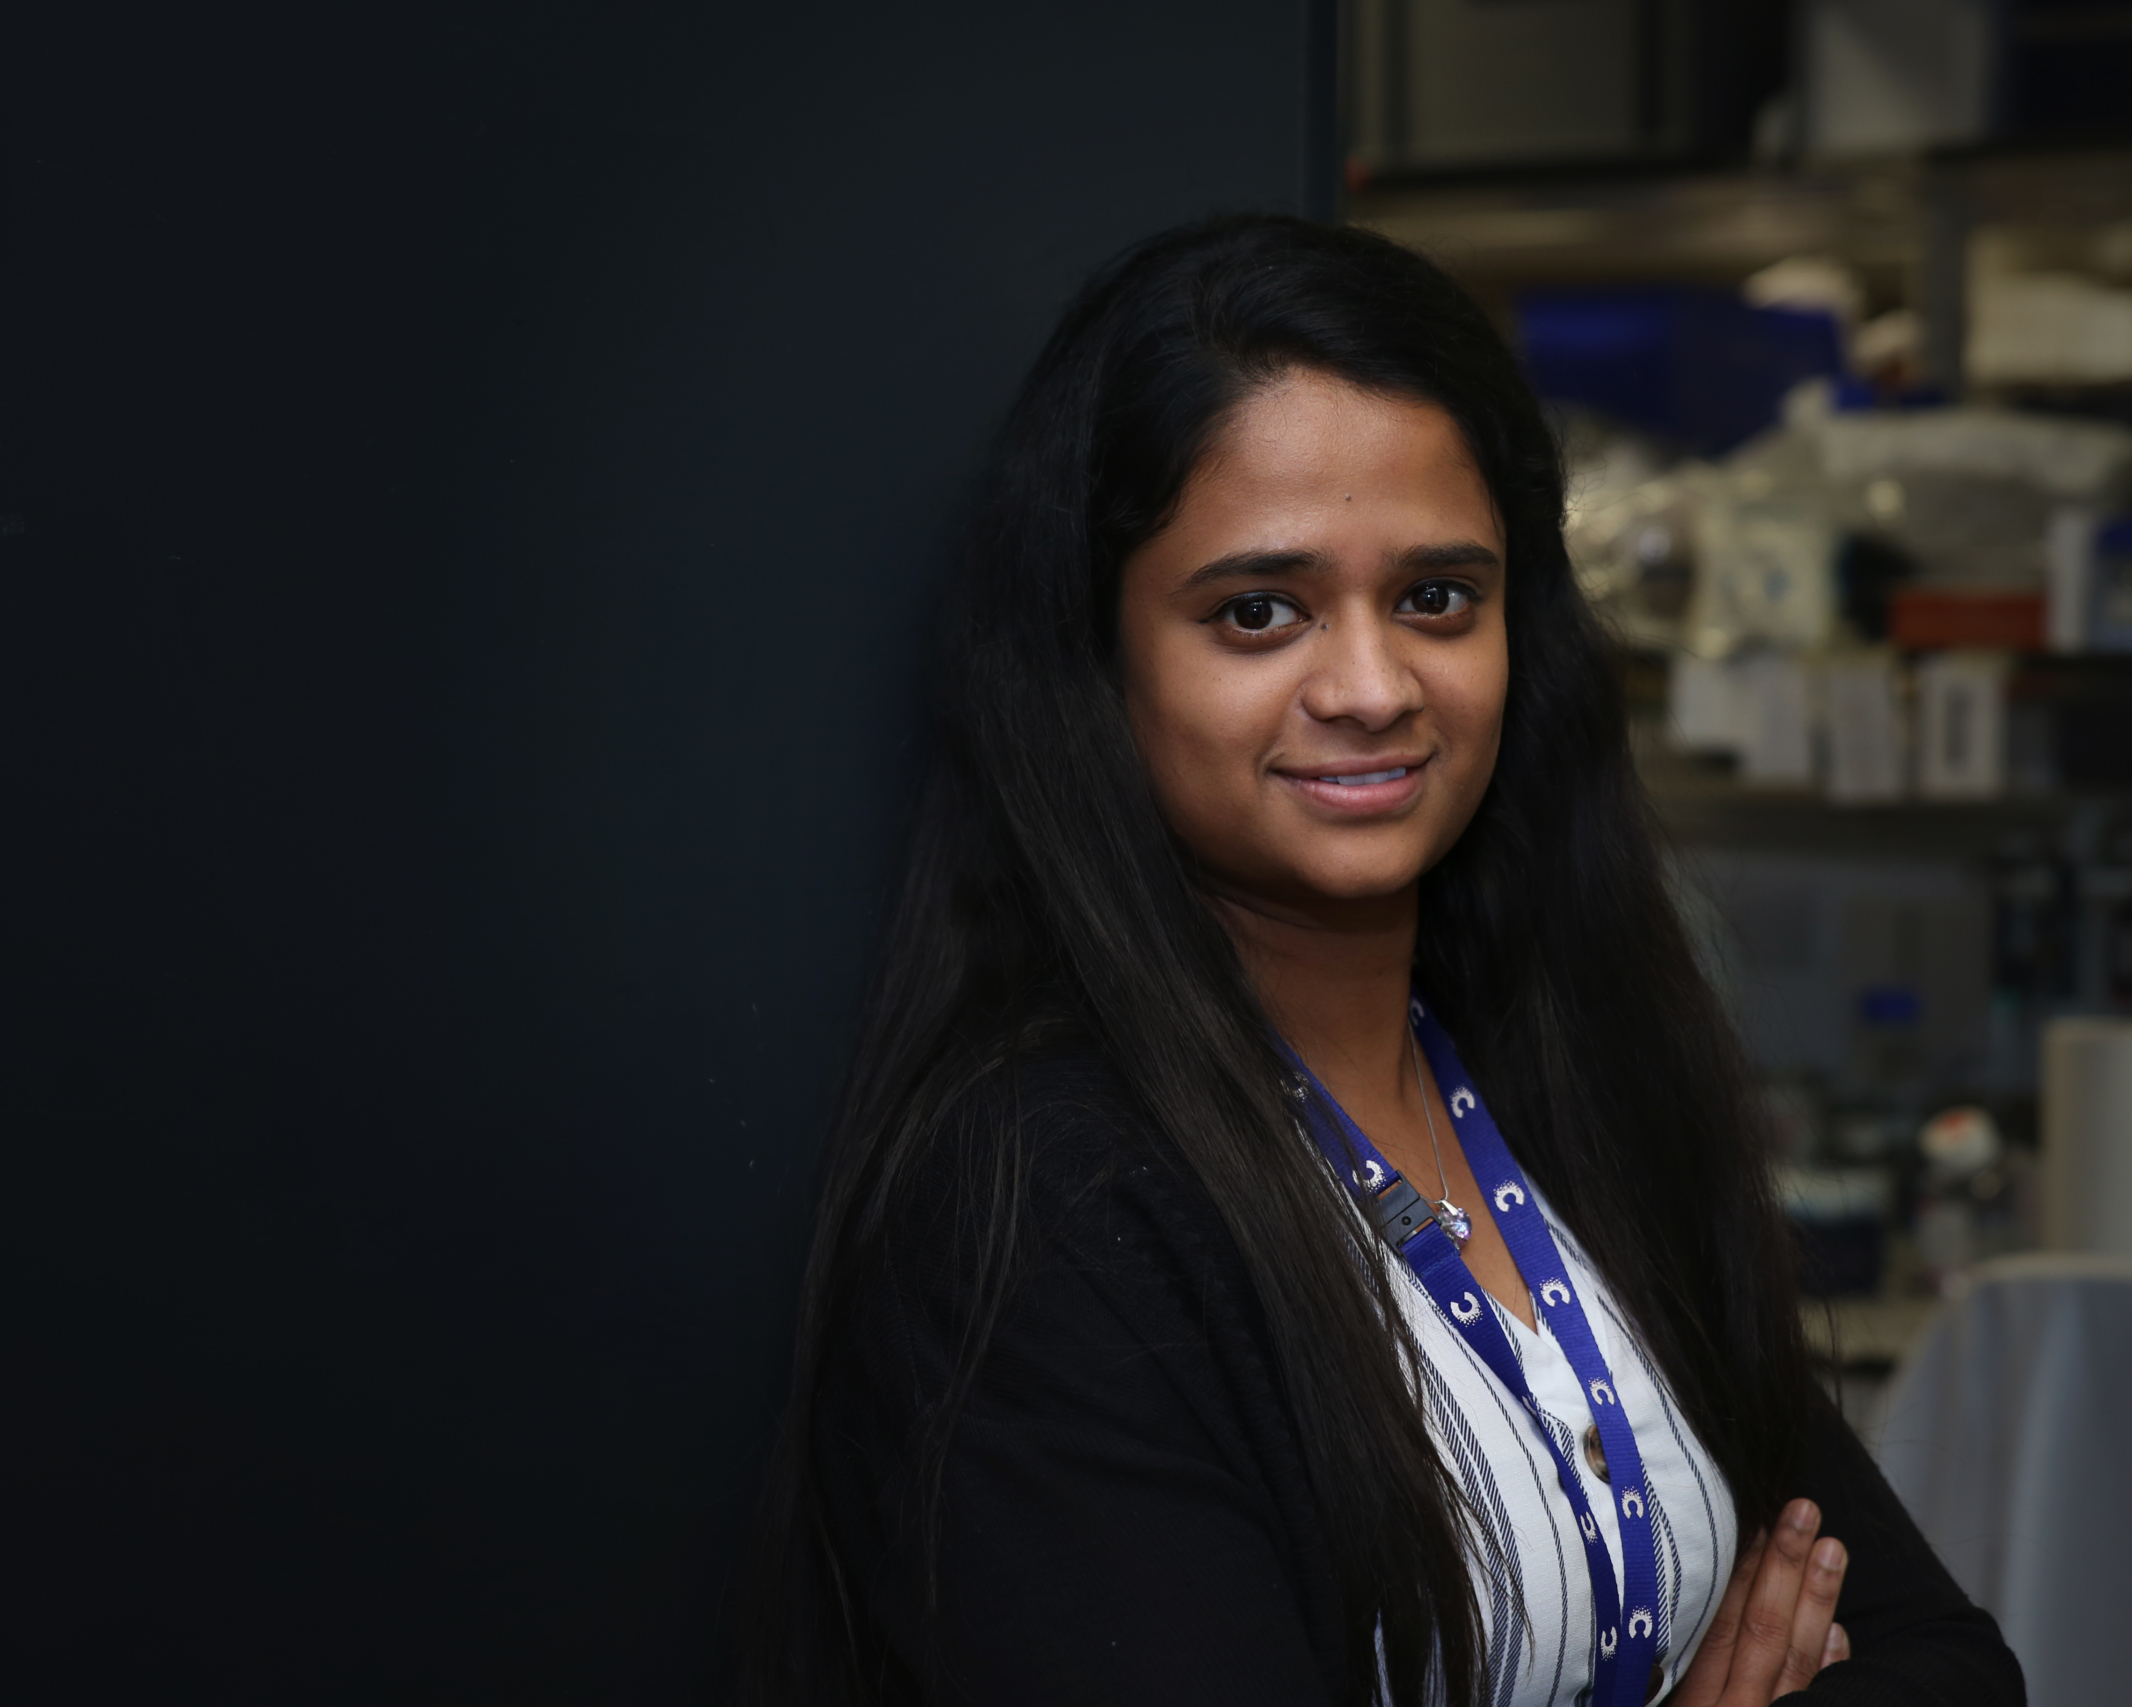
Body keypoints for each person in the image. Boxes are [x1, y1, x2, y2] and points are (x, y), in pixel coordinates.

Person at [743, 215, 2021, 1707]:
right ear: (1099, 662)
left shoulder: (1572, 1088)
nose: (1370, 687)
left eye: (1435, 597)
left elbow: (1945, 1669)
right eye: (1258, 612)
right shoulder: (1036, 1216)